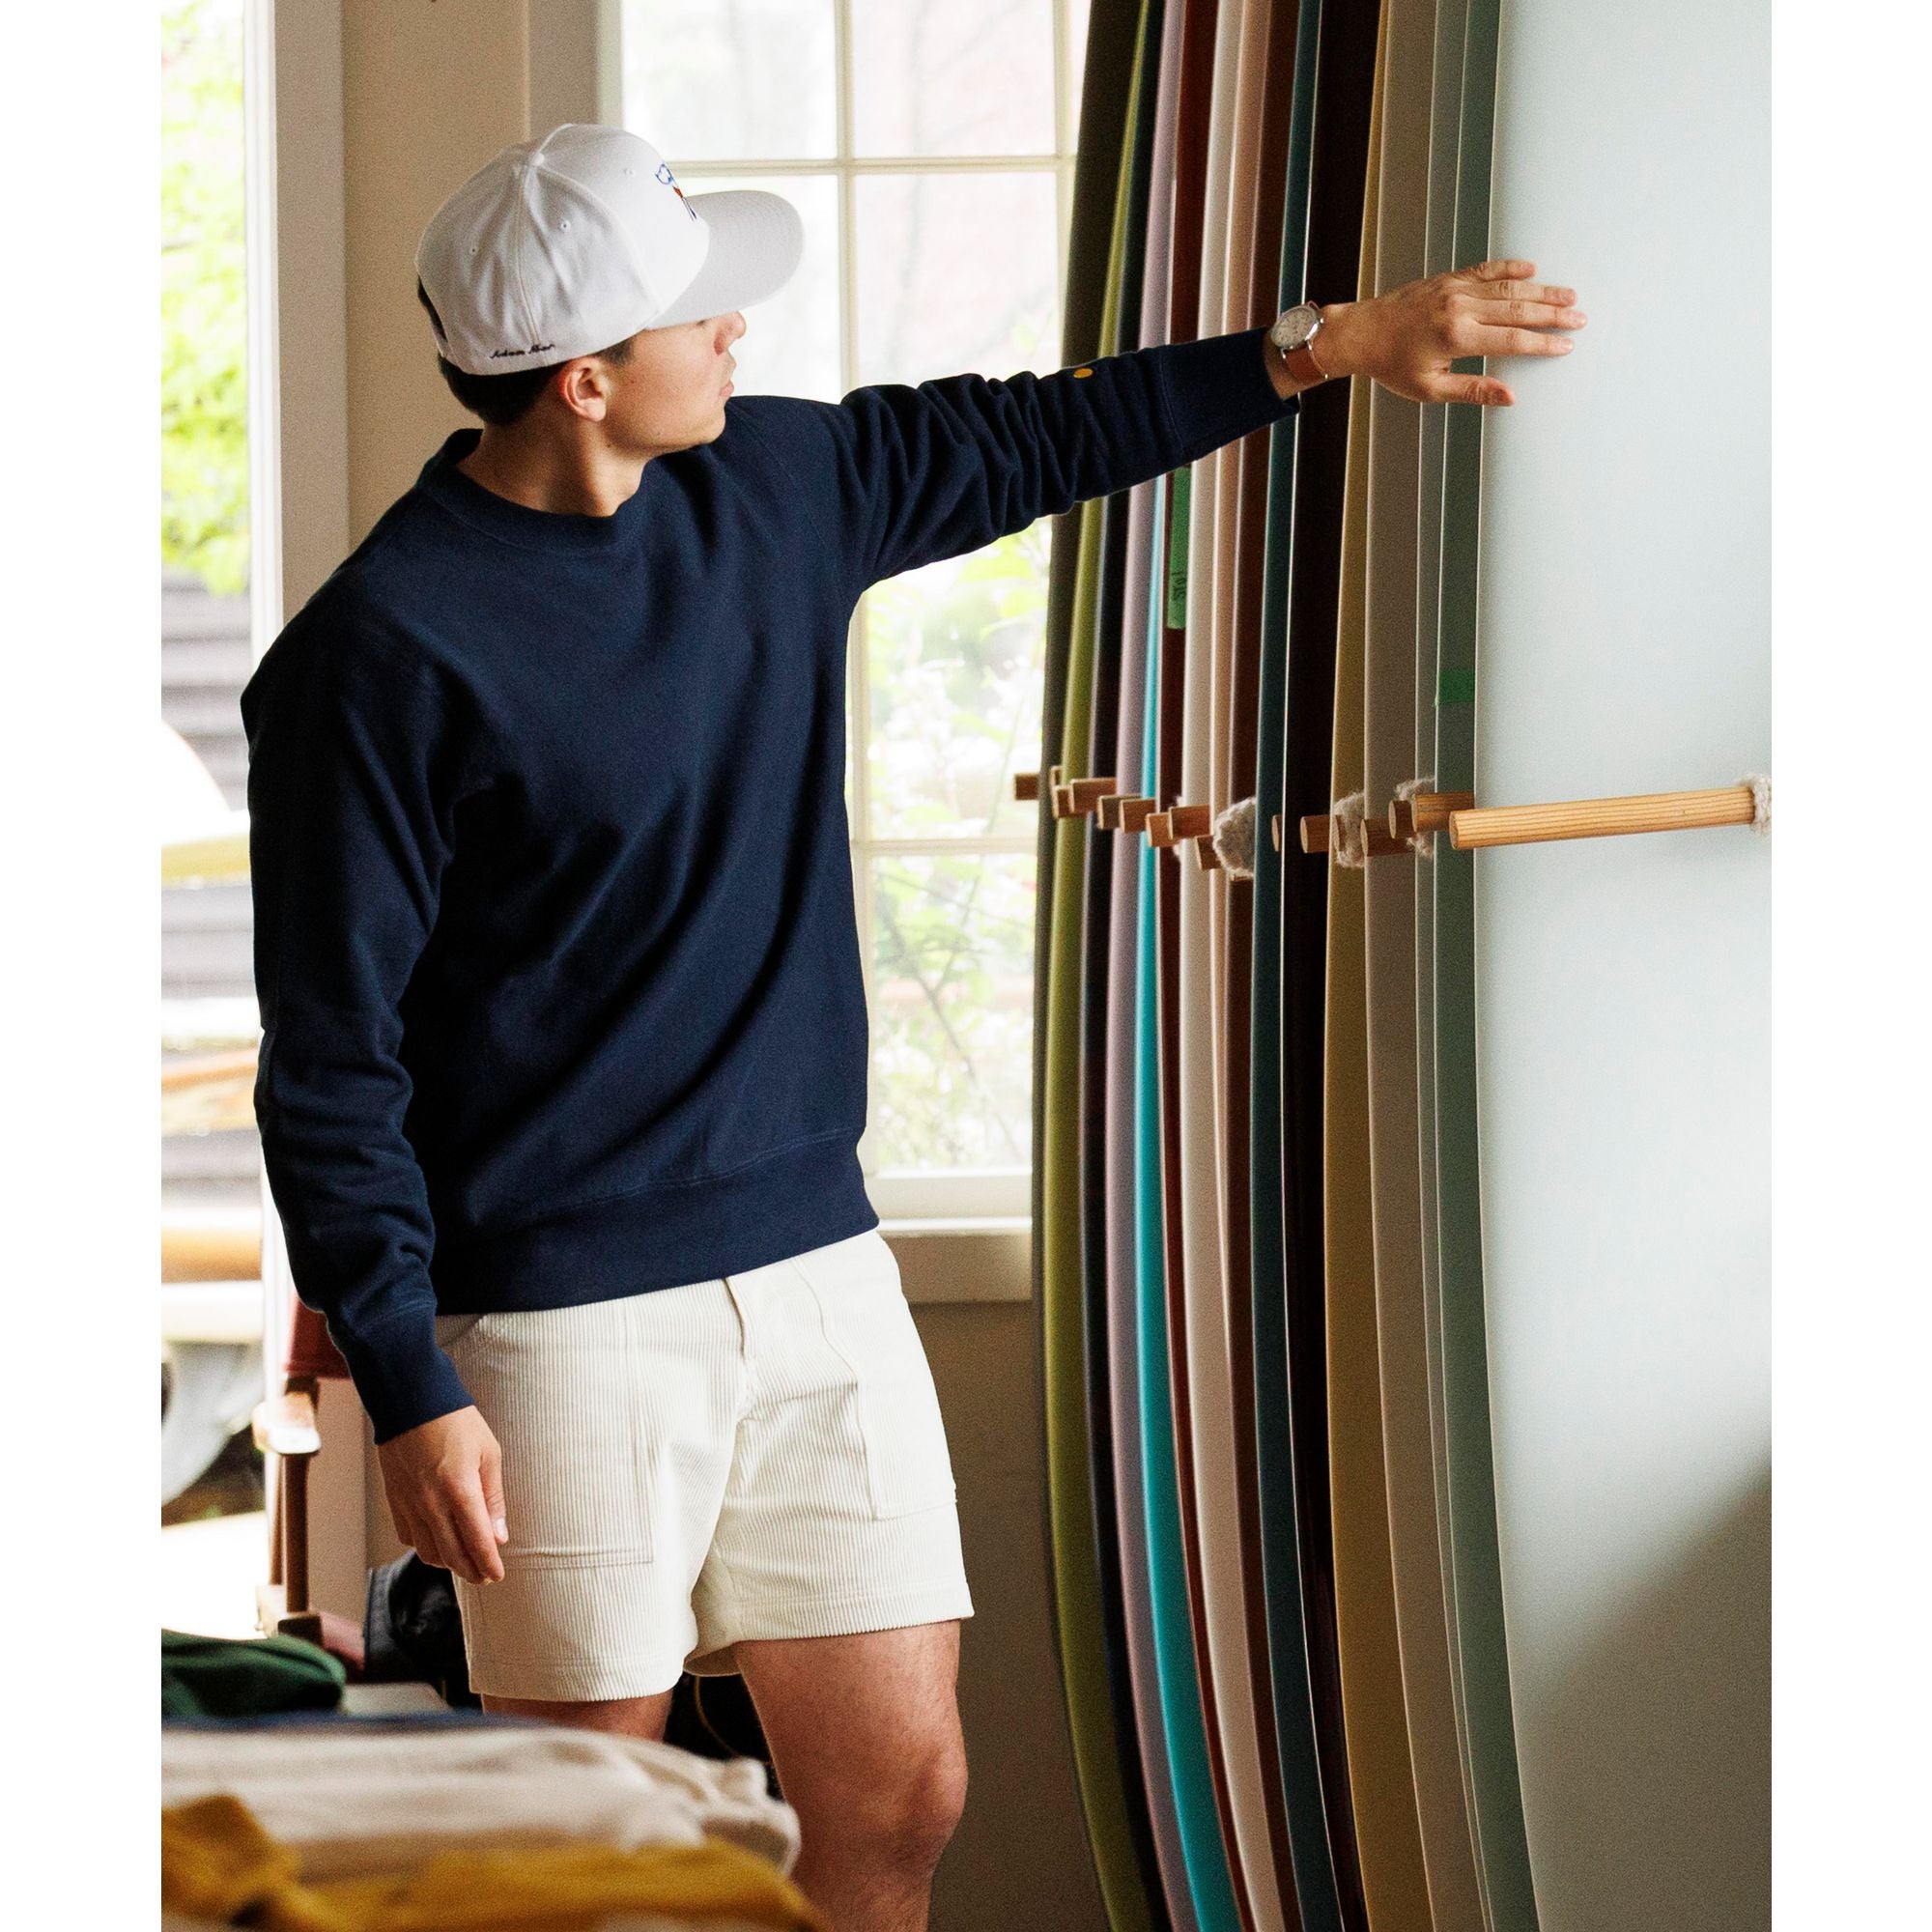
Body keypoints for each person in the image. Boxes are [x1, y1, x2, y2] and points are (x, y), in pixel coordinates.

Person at [240, 120, 1583, 1932]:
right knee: (584, 1845)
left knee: (901, 1789)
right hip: (559, 1325)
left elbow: (1037, 433)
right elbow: (333, 1057)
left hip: (815, 1264)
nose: (738, 333)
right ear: (583, 379)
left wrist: (1334, 344)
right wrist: (408, 1376)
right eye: (700, 314)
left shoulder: (778, 487)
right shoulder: (376, 656)